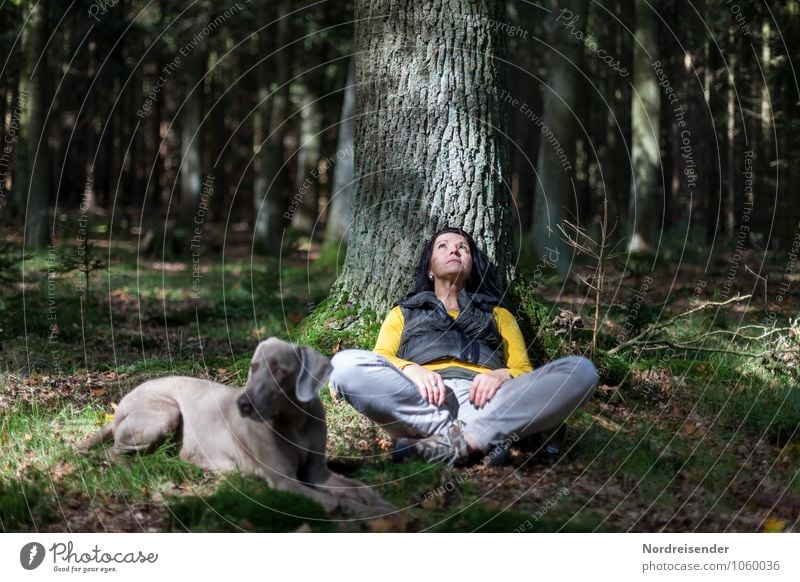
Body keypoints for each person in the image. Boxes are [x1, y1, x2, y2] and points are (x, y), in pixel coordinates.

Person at [329, 227, 599, 466]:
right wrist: (412, 370)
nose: (454, 251)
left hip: (486, 401)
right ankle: (480, 439)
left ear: (471, 268)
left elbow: (522, 368)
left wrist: (501, 374)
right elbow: (382, 357)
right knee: (343, 365)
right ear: (430, 270)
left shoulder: (498, 314)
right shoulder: (404, 311)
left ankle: (460, 441)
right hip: (425, 400)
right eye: (443, 246)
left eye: (463, 248)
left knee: (582, 371)